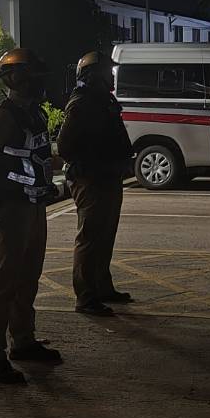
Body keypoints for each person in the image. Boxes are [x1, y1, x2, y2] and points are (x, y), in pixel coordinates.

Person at [0, 48, 63, 384]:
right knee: (4, 282)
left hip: (33, 206)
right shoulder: (3, 117)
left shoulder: (34, 114)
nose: (39, 82)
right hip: (9, 209)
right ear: (14, 78)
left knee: (28, 277)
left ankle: (22, 340)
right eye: (32, 76)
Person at [57, 51, 135, 315]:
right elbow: (65, 146)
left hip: (107, 176)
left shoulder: (103, 100)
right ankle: (86, 297)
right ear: (92, 76)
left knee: (105, 236)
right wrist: (95, 158)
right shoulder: (82, 103)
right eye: (106, 72)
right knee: (90, 238)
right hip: (91, 179)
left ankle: (102, 287)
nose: (111, 76)